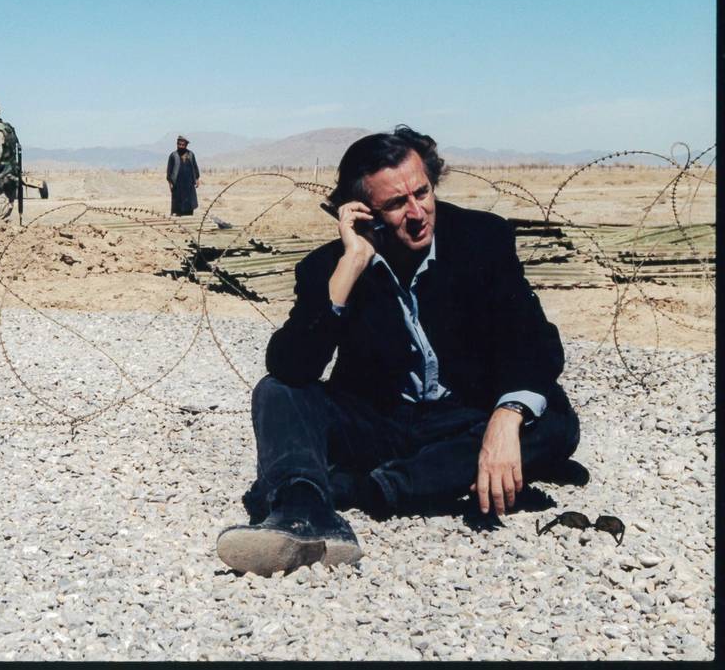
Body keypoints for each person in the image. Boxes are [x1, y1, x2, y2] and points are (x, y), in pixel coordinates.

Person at [216, 126, 581, 577]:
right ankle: (303, 509)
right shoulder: (327, 267)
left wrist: (505, 420)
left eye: (422, 192)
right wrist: (351, 266)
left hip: (462, 415)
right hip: (379, 421)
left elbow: (536, 343)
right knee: (277, 393)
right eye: (395, 203)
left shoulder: (481, 239)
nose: (416, 212)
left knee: (554, 417)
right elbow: (292, 368)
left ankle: (374, 488)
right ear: (362, 212)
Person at [166, 135, 200, 217]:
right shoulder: (173, 155)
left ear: (186, 145)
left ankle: (189, 218)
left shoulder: (191, 154)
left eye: (182, 145)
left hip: (189, 183)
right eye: (179, 144)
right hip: (177, 183)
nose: (181, 146)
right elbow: (169, 170)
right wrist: (170, 183)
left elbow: (195, 167)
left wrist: (197, 178)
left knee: (189, 203)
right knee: (178, 204)